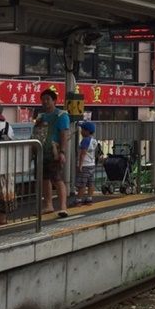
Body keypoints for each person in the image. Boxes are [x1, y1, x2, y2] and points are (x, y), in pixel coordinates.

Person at [33, 88, 70, 218]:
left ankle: (63, 207)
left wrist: (62, 152)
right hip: (41, 151)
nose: (45, 102)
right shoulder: (40, 116)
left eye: (48, 99)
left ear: (54, 101)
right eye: (43, 100)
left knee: (57, 179)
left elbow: (64, 135)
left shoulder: (61, 116)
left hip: (54, 151)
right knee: (44, 179)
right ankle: (49, 205)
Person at [73, 121, 98, 207]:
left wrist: (80, 165)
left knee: (82, 184)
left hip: (85, 165)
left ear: (87, 131)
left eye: (82, 129)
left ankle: (78, 200)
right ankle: (89, 199)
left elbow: (83, 153)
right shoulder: (94, 141)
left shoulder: (85, 141)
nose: (81, 131)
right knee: (91, 183)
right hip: (92, 164)